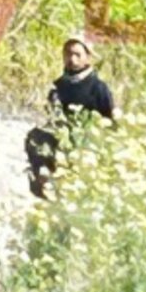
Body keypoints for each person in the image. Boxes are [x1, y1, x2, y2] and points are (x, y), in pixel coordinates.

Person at [26, 37, 116, 197]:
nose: (72, 59)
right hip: (61, 141)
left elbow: (110, 123)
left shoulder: (98, 88)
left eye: (77, 55)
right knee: (35, 137)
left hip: (87, 146)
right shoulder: (58, 86)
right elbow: (52, 117)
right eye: (68, 54)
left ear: (87, 57)